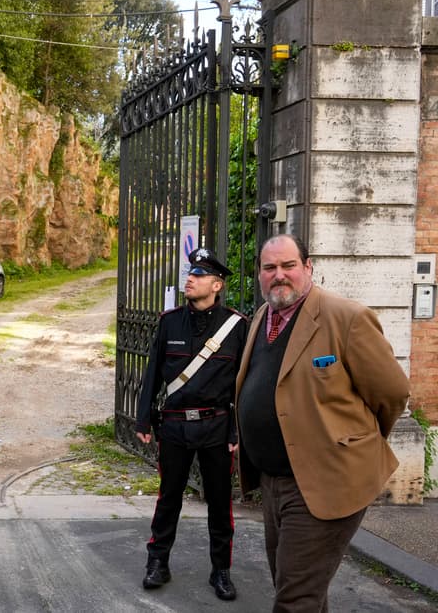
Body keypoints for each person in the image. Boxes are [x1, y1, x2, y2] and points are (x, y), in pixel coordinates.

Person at [235, 234, 410, 611]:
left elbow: (392, 393)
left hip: (323, 481)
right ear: (260, 275)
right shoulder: (263, 317)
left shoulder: (345, 318)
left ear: (308, 267)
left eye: (288, 266)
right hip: (273, 481)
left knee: (295, 599)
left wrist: (353, 443)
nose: (279, 275)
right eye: (269, 268)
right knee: (299, 588)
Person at [135, 247, 247, 601]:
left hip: (216, 427)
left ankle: (221, 571)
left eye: (198, 276)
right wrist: (143, 417)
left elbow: (242, 386)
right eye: (190, 274)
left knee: (219, 502)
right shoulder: (169, 322)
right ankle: (157, 563)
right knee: (168, 499)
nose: (190, 279)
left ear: (216, 284)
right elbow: (152, 373)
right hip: (174, 427)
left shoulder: (236, 327)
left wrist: (236, 431)